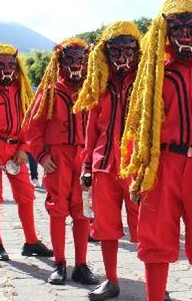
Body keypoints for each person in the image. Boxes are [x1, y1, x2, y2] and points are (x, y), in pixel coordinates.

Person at [121, 0, 192, 301]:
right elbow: (138, 126)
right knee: (155, 244)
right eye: (178, 29)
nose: (185, 35)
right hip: (162, 167)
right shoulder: (155, 75)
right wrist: (137, 170)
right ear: (166, 32)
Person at [73, 21, 142, 301]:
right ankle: (111, 280)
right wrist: (87, 165)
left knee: (149, 227)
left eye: (128, 49)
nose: (121, 56)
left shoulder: (147, 81)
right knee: (106, 226)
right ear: (105, 52)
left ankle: (156, 283)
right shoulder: (99, 85)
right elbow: (91, 129)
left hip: (136, 165)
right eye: (115, 50)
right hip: (104, 165)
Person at [24, 38, 98, 286]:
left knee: (83, 211)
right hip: (57, 159)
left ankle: (81, 264)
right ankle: (59, 263)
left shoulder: (92, 92)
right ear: (60, 62)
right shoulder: (49, 92)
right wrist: (42, 157)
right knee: (57, 210)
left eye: (80, 59)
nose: (76, 65)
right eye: (70, 59)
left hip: (84, 159)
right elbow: (33, 129)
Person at [0, 44, 53, 261]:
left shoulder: (22, 90)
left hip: (16, 150)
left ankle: (31, 241)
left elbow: (29, 123)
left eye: (11, 64)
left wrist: (24, 148)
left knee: (26, 195)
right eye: (1, 65)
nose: (7, 69)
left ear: (17, 66)